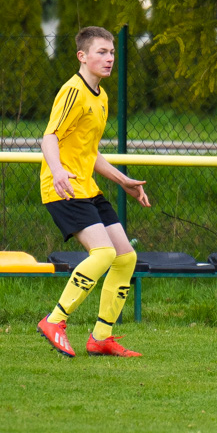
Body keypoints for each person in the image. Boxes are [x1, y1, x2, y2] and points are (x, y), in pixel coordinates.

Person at [37, 26, 151, 358]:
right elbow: (49, 137)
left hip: (87, 186)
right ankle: (54, 321)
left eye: (112, 52)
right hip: (64, 187)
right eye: (101, 52)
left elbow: (90, 152)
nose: (109, 58)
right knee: (102, 254)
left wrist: (122, 181)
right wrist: (57, 171)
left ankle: (101, 337)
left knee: (125, 257)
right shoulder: (73, 91)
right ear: (82, 56)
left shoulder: (99, 97)